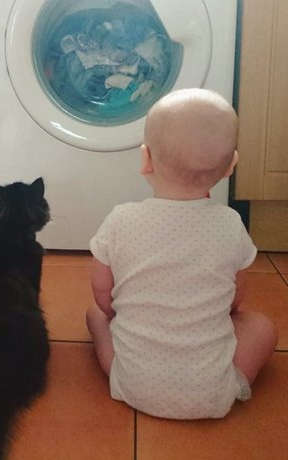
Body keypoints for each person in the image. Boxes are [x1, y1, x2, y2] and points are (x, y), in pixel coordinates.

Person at [86, 88, 278, 419]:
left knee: (95, 315)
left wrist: (117, 314)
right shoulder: (231, 224)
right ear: (231, 166)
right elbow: (235, 299)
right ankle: (235, 384)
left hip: (132, 384)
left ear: (145, 160)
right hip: (212, 393)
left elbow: (103, 295)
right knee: (262, 327)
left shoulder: (121, 219)